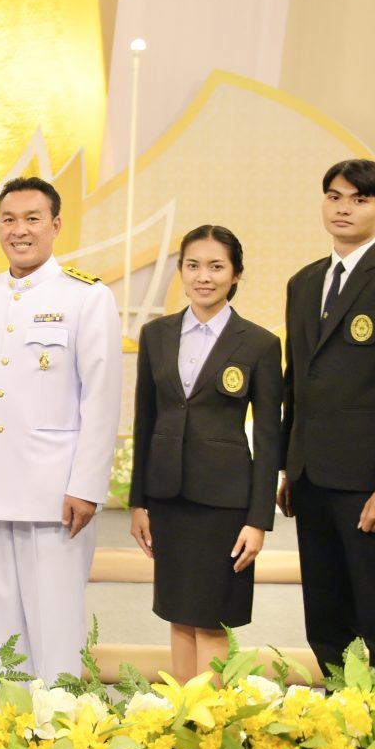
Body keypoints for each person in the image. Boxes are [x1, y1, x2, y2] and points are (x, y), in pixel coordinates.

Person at [0, 176, 121, 681]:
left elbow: (102, 399)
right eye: (9, 219)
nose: (19, 230)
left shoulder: (86, 297)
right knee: (0, 625)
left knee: (56, 623)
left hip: (56, 492)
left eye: (32, 219)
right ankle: (7, 719)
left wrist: (86, 485)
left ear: (55, 225)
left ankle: (59, 723)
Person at [278, 159, 375, 681]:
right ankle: (340, 715)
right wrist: (288, 466)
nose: (343, 208)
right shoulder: (304, 283)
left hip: (369, 483)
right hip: (311, 478)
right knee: (325, 613)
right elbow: (296, 382)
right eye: (334, 196)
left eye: (359, 199)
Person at [128, 225, 282, 681]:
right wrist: (138, 503)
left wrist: (258, 520)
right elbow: (144, 421)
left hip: (224, 502)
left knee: (214, 616)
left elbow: (269, 438)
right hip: (168, 497)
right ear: (181, 271)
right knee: (177, 611)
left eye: (216, 266)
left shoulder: (259, 343)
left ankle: (209, 715)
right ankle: (182, 712)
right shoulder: (156, 334)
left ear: (236, 274)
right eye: (193, 265)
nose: (203, 277)